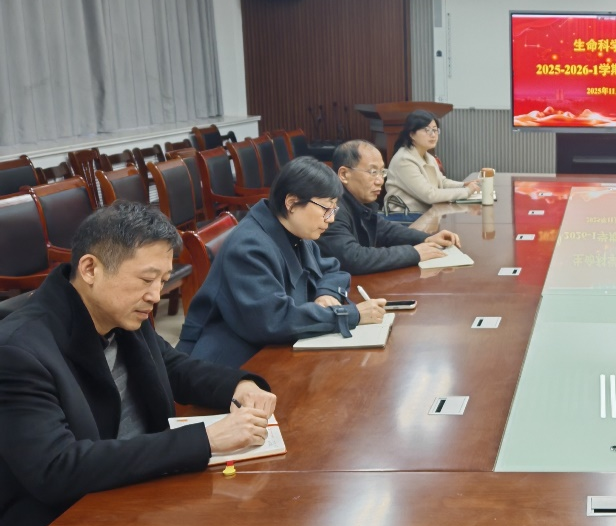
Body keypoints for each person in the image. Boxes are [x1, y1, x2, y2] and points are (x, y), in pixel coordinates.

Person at [0, 202, 276, 526]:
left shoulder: (118, 311)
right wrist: (206, 440)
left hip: (141, 490)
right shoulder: (18, 351)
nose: (155, 296)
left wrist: (240, 386)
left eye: (162, 280)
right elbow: (57, 468)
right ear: (90, 269)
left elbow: (172, 366)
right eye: (146, 280)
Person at [178, 157, 386, 367]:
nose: (331, 219)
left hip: (272, 347)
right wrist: (349, 315)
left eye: (334, 209)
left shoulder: (294, 229)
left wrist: (326, 294)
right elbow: (274, 320)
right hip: (228, 362)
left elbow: (332, 270)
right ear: (292, 203)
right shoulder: (249, 247)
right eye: (326, 209)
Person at [319, 140, 464, 274]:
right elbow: (353, 258)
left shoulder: (358, 201)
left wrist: (428, 238)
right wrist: (414, 253)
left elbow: (386, 230)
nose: (380, 181)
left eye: (382, 172)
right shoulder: (332, 208)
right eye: (373, 172)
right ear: (344, 174)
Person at [384, 110, 480, 216]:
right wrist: (467, 191)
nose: (433, 135)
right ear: (412, 134)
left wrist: (462, 185)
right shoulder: (404, 160)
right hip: (406, 219)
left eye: (435, 130)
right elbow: (429, 195)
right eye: (427, 130)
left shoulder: (428, 157)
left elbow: (441, 182)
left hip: (426, 214)